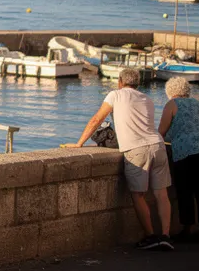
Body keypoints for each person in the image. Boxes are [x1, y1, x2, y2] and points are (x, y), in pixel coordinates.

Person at [68, 67, 172, 250]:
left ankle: (150, 237)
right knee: (161, 195)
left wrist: (79, 143)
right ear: (137, 83)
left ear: (120, 82)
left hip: (136, 149)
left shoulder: (115, 95)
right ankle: (165, 236)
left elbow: (96, 120)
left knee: (138, 195)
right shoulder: (147, 99)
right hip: (158, 145)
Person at [159, 78, 199, 243]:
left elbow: (161, 131)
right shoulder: (197, 103)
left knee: (185, 189)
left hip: (188, 150)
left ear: (169, 91)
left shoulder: (172, 104)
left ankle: (187, 228)